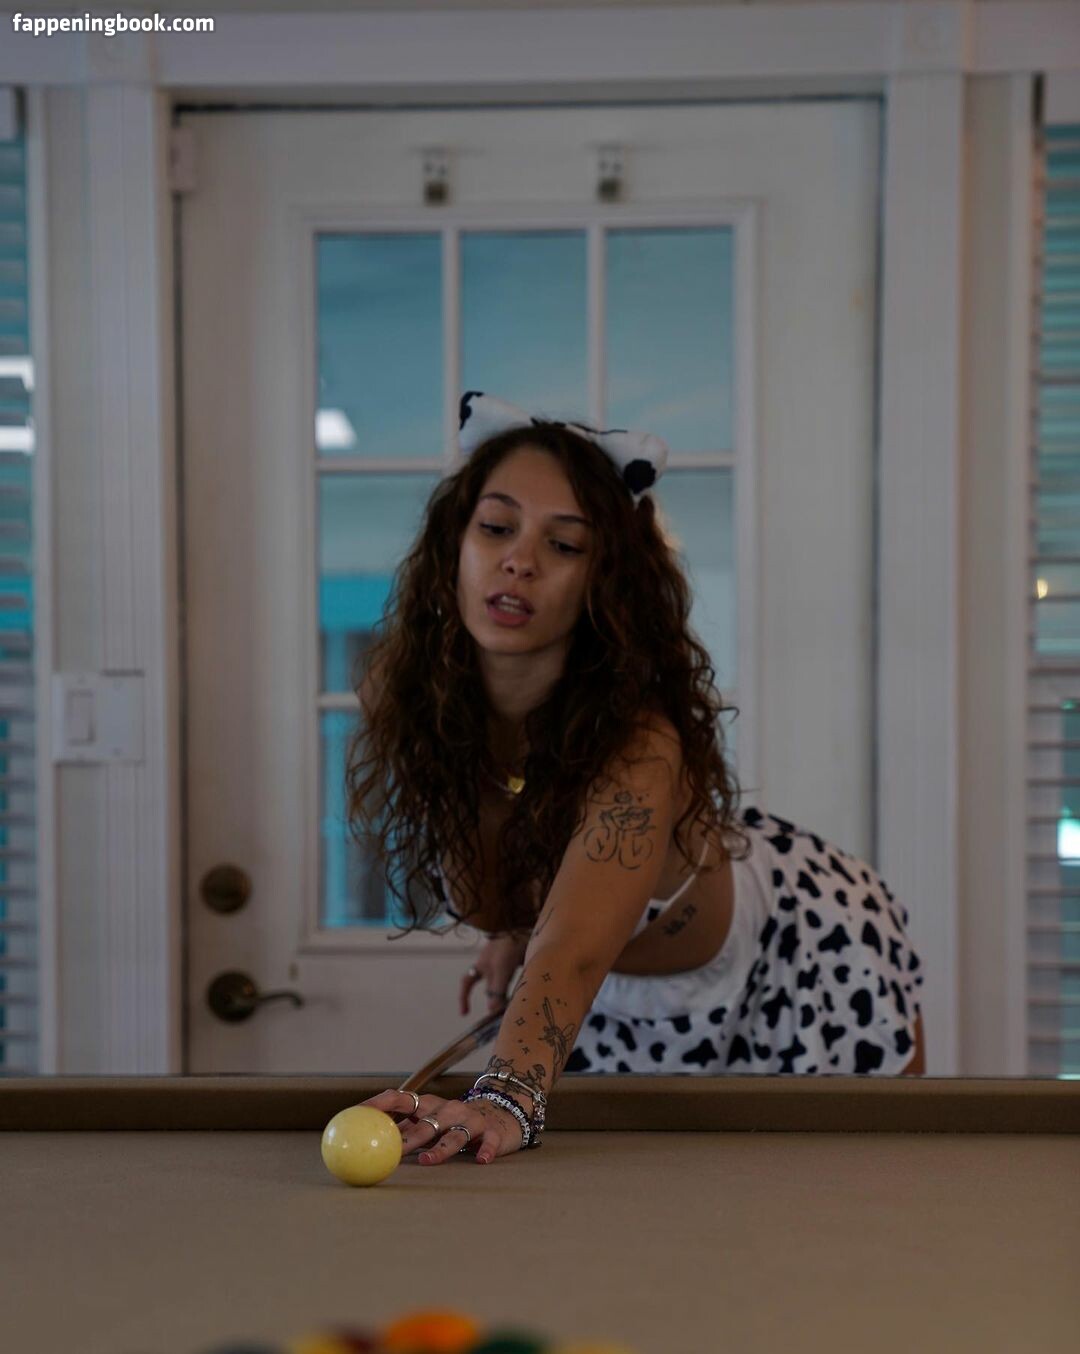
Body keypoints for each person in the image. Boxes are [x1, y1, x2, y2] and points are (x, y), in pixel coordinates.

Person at [346, 391, 925, 1168]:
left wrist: (505, 1094)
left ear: (603, 582)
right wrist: (511, 930)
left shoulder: (639, 745)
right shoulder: (409, 696)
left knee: (859, 1204)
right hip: (613, 998)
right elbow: (525, 853)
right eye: (496, 527)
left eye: (565, 544)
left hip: (797, 955)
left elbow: (573, 948)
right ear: (455, 541)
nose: (520, 560)